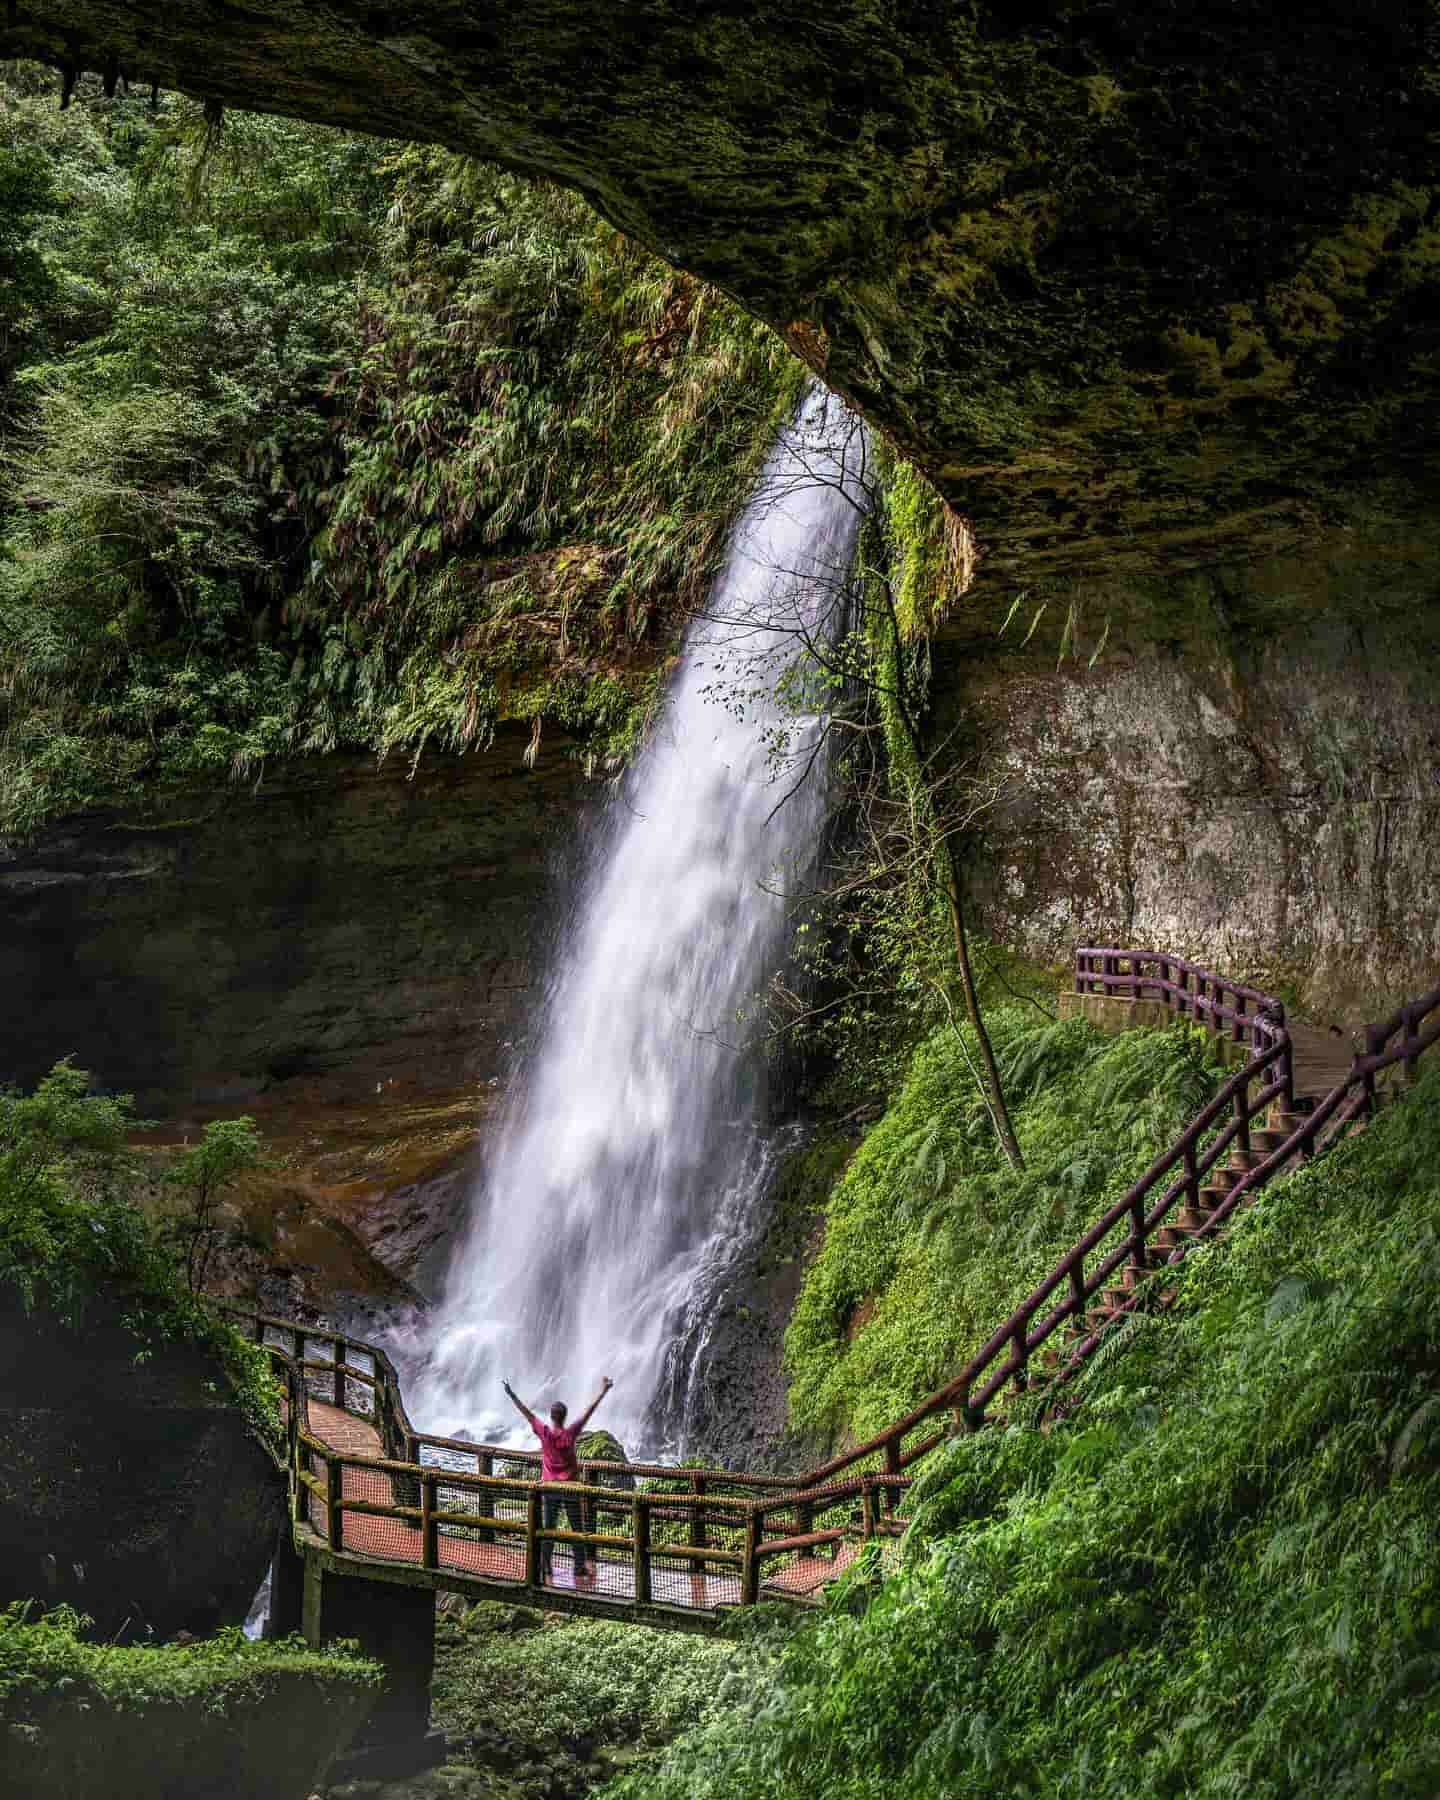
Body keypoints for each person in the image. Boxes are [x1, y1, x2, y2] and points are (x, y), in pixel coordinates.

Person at [502, 1374, 614, 1585]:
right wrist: (604, 1390)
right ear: (564, 1417)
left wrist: (512, 1395)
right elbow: (588, 1412)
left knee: (548, 1528)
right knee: (576, 1528)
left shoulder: (544, 1432)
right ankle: (579, 1566)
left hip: (550, 1487)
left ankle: (546, 1566)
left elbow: (527, 1414)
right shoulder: (571, 1434)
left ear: (552, 1417)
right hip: (571, 1487)